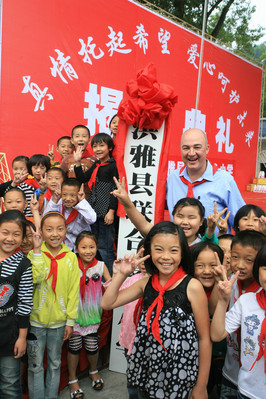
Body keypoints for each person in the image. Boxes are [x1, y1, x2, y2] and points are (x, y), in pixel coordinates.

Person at [101, 221, 212, 399]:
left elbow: (204, 338)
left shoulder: (192, 287)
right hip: (147, 368)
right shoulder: (146, 283)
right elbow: (107, 303)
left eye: (173, 250)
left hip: (179, 373)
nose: (166, 256)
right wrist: (122, 274)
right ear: (149, 251)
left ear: (183, 252)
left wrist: (201, 385)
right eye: (159, 249)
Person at [27, 211, 80, 399]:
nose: (55, 234)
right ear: (41, 231)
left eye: (60, 229)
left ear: (66, 230)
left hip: (59, 322)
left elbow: (74, 292)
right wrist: (37, 250)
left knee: (55, 362)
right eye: (49, 229)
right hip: (35, 322)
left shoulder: (71, 258)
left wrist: (70, 321)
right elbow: (36, 277)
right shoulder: (34, 255)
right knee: (35, 365)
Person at [211, 243, 266, 399]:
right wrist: (223, 300)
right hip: (247, 390)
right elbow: (217, 335)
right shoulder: (247, 301)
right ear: (258, 271)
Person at [166, 128, 245, 232]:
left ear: (207, 149)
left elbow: (240, 222)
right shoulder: (172, 179)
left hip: (214, 246)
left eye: (197, 147)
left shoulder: (225, 180)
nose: (191, 153)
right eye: (186, 148)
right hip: (180, 246)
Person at [112, 178, 220, 247]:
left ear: (201, 221)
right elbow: (144, 225)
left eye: (191, 217)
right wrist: (126, 203)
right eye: (180, 216)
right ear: (172, 217)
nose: (185, 222)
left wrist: (211, 229)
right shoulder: (165, 237)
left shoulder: (204, 244)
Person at [67, 231, 110, 397]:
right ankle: (72, 379)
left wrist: (120, 273)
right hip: (74, 316)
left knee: (92, 347)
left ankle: (94, 371)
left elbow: (111, 286)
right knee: (74, 347)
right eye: (83, 247)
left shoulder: (101, 266)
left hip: (92, 315)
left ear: (97, 247)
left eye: (91, 247)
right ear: (76, 248)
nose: (88, 250)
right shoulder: (71, 264)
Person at [74, 133, 119, 274]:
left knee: (106, 248)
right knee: (96, 246)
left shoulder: (113, 166)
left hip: (106, 212)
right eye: (95, 146)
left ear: (110, 147)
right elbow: (83, 177)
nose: (98, 149)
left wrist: (111, 210)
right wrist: (77, 162)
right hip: (94, 212)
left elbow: (115, 189)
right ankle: (99, 277)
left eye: (101, 145)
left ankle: (110, 280)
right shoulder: (97, 164)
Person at [0, 210, 33, 399]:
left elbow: (25, 303)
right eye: (5, 232)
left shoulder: (23, 264)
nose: (9, 239)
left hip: (9, 335)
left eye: (16, 234)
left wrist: (22, 338)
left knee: (10, 384)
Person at [190, 242, 226, 396]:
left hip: (214, 355)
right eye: (200, 266)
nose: (206, 271)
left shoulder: (225, 286)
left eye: (212, 265)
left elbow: (211, 310)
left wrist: (218, 281)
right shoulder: (188, 286)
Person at [43, 178, 96, 250]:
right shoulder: (59, 202)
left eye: (72, 195)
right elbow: (46, 218)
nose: (68, 198)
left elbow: (92, 219)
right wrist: (55, 199)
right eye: (64, 194)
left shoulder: (82, 205)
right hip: (64, 244)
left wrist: (82, 201)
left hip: (81, 246)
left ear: (78, 194)